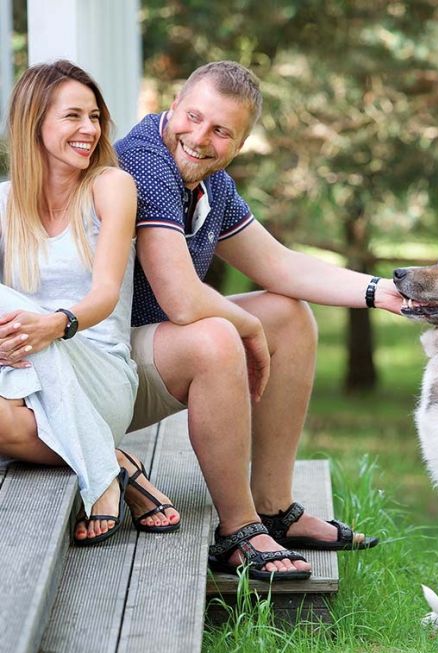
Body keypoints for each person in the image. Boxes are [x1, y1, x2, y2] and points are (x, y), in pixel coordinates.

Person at [115, 60, 403, 581]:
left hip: (141, 357)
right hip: (99, 370)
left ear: (240, 144)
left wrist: (377, 292)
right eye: (194, 117)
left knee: (288, 316)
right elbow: (181, 301)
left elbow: (279, 266)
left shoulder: (210, 184)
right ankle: (238, 529)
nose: (200, 138)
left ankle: (273, 506)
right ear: (172, 106)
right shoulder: (145, 161)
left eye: (221, 130)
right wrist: (246, 329)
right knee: (216, 337)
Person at [0, 60, 179, 546]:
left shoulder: (110, 186)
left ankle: (101, 476)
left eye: (94, 116)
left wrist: (51, 327)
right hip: (23, 378)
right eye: (73, 116)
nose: (89, 129)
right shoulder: (4, 204)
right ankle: (112, 462)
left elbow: (103, 295)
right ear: (32, 123)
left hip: (97, 370)